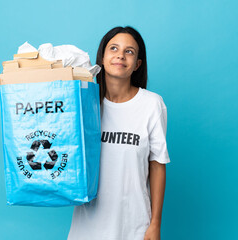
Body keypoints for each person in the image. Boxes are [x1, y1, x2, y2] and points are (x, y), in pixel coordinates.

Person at [67, 26, 170, 240]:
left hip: (133, 225)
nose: (120, 55)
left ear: (137, 65)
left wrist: (155, 224)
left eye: (129, 51)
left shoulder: (152, 104)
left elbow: (157, 164)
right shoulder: (84, 102)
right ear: (102, 58)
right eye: (113, 48)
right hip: (88, 225)